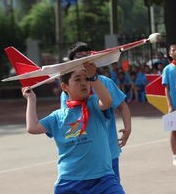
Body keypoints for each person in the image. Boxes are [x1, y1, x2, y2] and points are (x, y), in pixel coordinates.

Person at [22, 63, 125, 193]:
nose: (83, 83)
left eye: (85, 79)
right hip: (70, 182)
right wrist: (31, 99)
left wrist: (93, 77)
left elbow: (108, 101)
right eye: (77, 79)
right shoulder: (57, 116)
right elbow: (32, 127)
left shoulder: (93, 104)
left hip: (103, 179)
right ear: (65, 86)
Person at [61, 42, 132, 179]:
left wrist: (128, 128)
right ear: (72, 62)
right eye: (79, 57)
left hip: (108, 151)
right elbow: (67, 120)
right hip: (84, 154)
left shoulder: (105, 82)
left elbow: (123, 106)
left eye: (88, 56)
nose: (85, 61)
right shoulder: (68, 89)